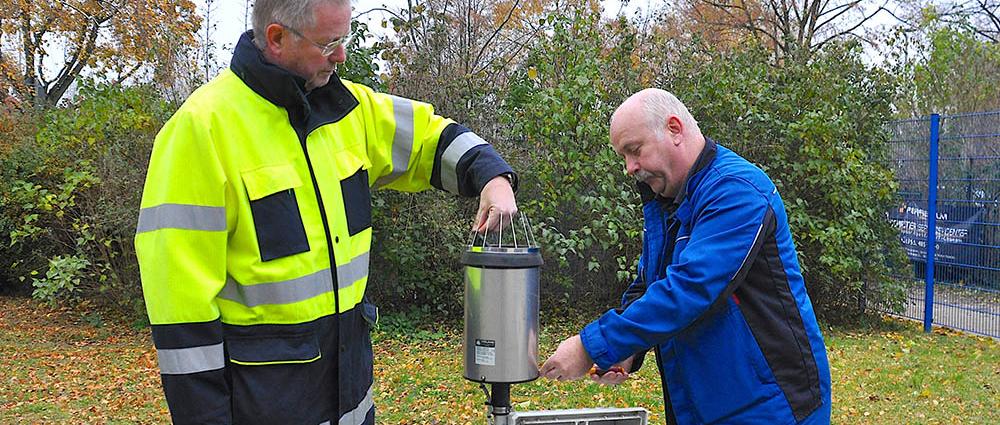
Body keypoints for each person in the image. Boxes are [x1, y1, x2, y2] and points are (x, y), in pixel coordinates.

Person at [134, 0, 518, 424]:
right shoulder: (200, 130)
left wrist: (492, 178)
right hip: (264, 407)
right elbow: (181, 319)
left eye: (344, 37)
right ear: (278, 38)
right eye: (329, 42)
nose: (342, 55)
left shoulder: (349, 108)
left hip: (351, 403)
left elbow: (432, 137)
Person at [540, 88, 831, 425]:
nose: (629, 168)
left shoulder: (736, 190)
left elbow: (690, 289)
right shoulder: (670, 203)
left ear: (674, 129)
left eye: (634, 151)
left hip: (770, 405)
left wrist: (589, 346)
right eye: (623, 156)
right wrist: (629, 349)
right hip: (705, 402)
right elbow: (650, 285)